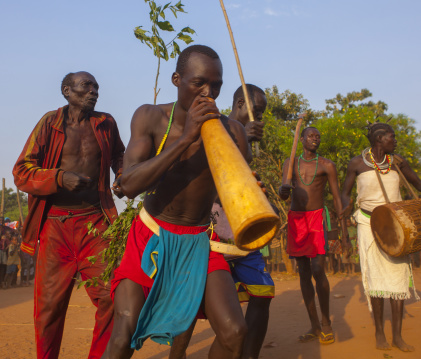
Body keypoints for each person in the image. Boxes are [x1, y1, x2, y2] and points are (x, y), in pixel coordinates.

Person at [103, 45, 249, 359]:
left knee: (235, 332)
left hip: (199, 242)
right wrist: (185, 140)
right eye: (199, 83)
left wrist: (250, 193)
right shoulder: (150, 117)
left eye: (217, 86)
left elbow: (236, 199)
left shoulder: (233, 131)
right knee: (123, 334)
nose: (208, 93)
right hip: (150, 236)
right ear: (176, 79)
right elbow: (127, 184)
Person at [12, 71, 125, 359]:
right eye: (86, 86)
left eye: (96, 86)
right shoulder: (49, 123)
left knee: (112, 297)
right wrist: (60, 178)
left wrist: (123, 176)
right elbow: (21, 172)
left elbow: (119, 157)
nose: (94, 91)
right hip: (54, 226)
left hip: (96, 225)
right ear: (66, 91)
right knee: (49, 308)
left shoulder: (106, 123)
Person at [340, 121, 421, 352]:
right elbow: (345, 194)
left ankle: (397, 336)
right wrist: (344, 207)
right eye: (392, 137)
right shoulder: (357, 164)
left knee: (398, 278)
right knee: (375, 279)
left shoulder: (398, 162)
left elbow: (419, 185)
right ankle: (378, 332)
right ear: (379, 140)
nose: (395, 141)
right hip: (368, 224)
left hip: (396, 226)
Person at [278, 127, 346, 345]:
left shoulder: (327, 165)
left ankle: (326, 324)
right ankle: (314, 326)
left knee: (318, 269)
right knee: (304, 273)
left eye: (318, 136)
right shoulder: (290, 164)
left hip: (317, 219)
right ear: (303, 139)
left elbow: (337, 198)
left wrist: (343, 229)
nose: (315, 139)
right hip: (297, 220)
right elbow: (282, 191)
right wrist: (283, 191)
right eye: (311, 136)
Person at [222, 84, 275, 359]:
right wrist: (241, 138)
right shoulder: (217, 127)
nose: (260, 119)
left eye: (263, 113)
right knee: (206, 303)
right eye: (258, 111)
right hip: (214, 230)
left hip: (242, 227)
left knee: (263, 292)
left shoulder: (243, 135)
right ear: (241, 103)